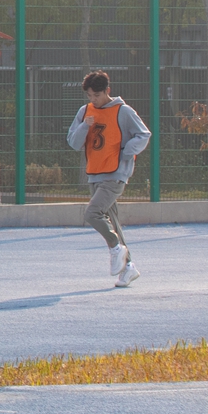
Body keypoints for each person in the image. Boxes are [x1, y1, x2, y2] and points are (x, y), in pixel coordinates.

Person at [67, 70, 151, 287]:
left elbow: (144, 134)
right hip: (95, 173)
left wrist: (126, 151)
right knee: (111, 221)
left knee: (92, 213)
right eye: (89, 96)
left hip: (115, 174)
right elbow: (73, 142)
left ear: (107, 91)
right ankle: (129, 267)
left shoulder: (123, 111)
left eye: (97, 95)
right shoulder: (85, 112)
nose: (93, 99)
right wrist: (85, 125)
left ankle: (115, 247)